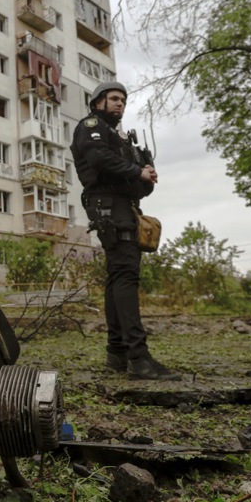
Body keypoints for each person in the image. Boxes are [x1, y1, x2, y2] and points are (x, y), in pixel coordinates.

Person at [70, 82, 180, 381]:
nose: (120, 104)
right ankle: (138, 359)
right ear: (98, 103)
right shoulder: (91, 126)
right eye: (114, 99)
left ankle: (117, 352)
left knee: (117, 277)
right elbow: (97, 159)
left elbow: (136, 187)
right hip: (108, 207)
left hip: (122, 206)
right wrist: (136, 170)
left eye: (123, 100)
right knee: (125, 276)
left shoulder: (120, 139)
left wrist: (146, 177)